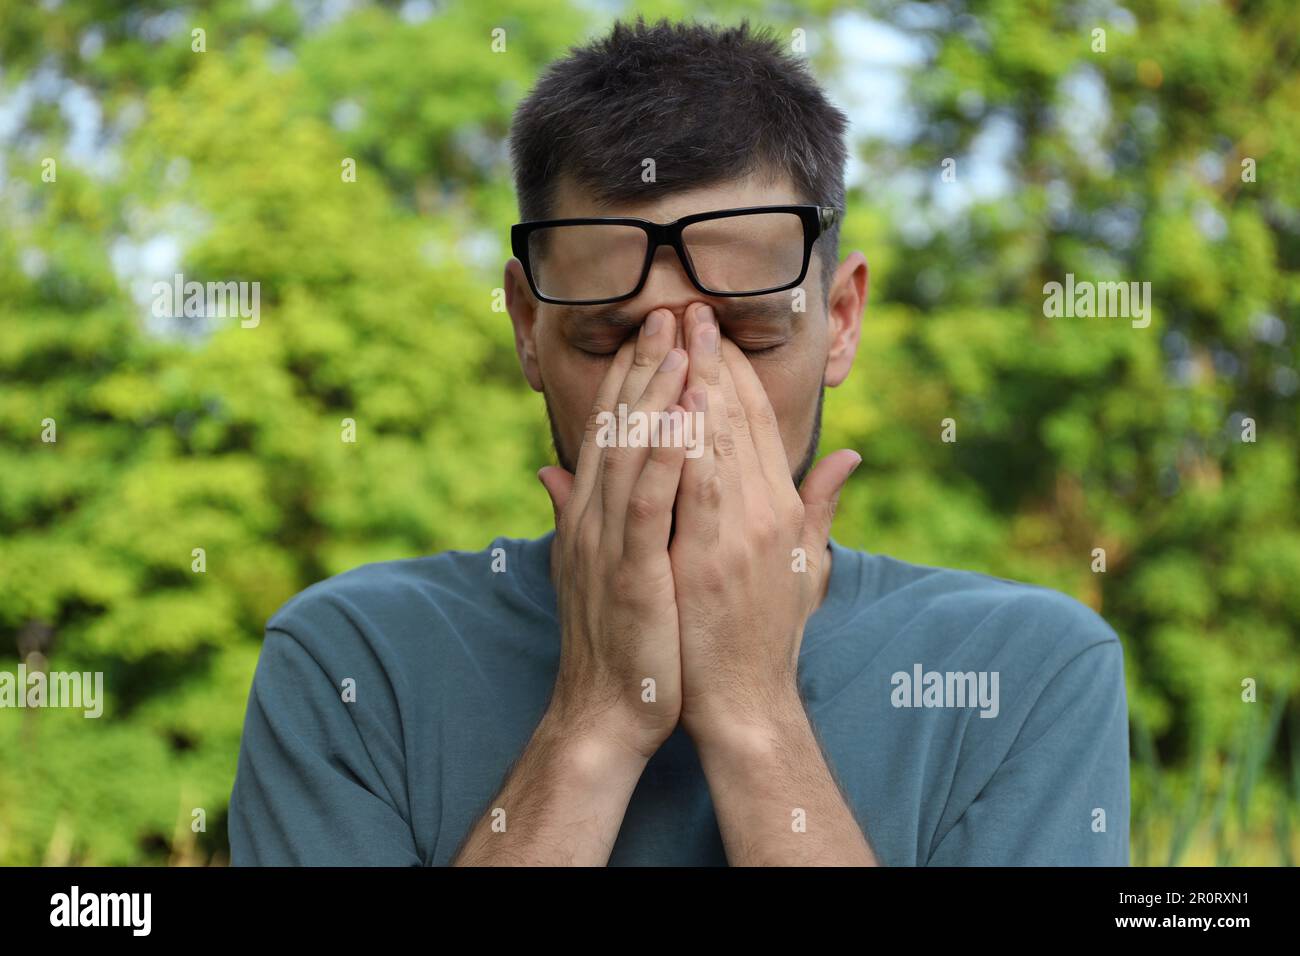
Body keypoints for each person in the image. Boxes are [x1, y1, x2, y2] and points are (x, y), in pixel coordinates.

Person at [228, 18, 1129, 866]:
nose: (685, 398)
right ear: (526, 328)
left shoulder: (1030, 672)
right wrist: (599, 717)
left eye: (749, 337)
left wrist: (753, 713)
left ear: (842, 320)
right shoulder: (354, 663)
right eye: (616, 340)